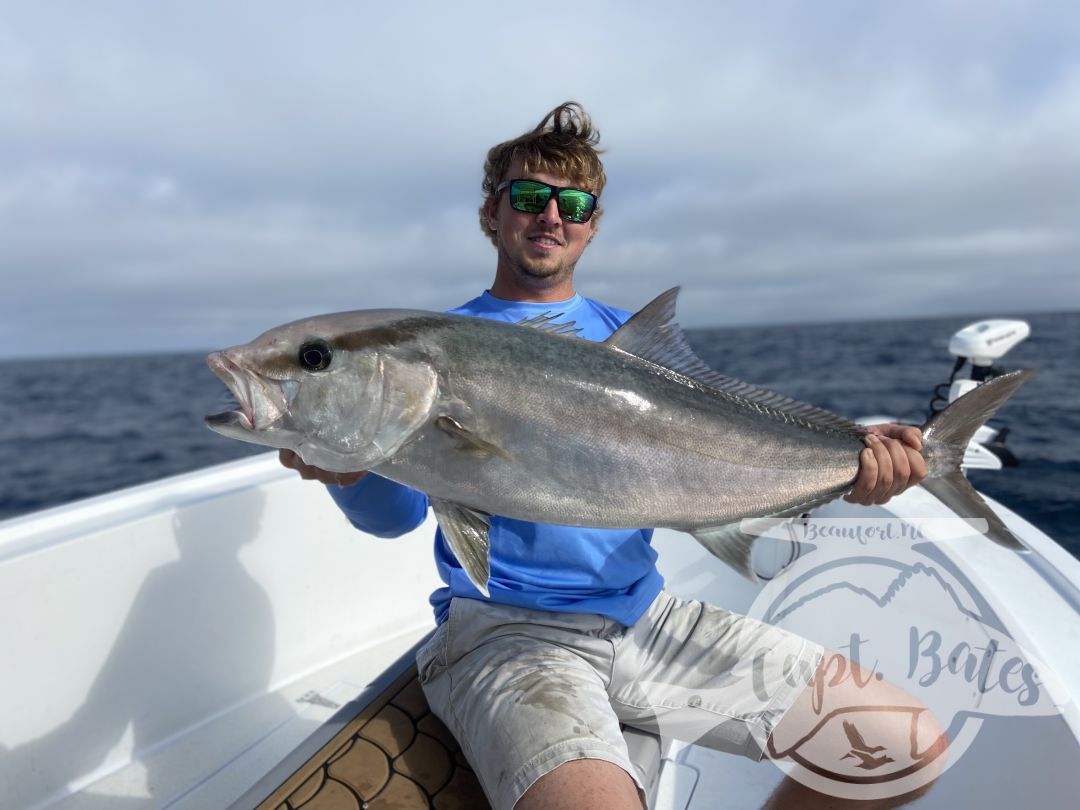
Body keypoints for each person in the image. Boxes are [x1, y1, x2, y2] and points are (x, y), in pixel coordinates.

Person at [280, 103, 944, 810]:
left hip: (646, 618)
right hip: (508, 635)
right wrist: (350, 469)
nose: (550, 217)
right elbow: (394, 519)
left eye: (573, 204)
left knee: (901, 750)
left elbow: (728, 444)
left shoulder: (629, 344)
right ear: (492, 213)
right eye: (530, 198)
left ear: (592, 225)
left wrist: (857, 460)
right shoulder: (434, 346)